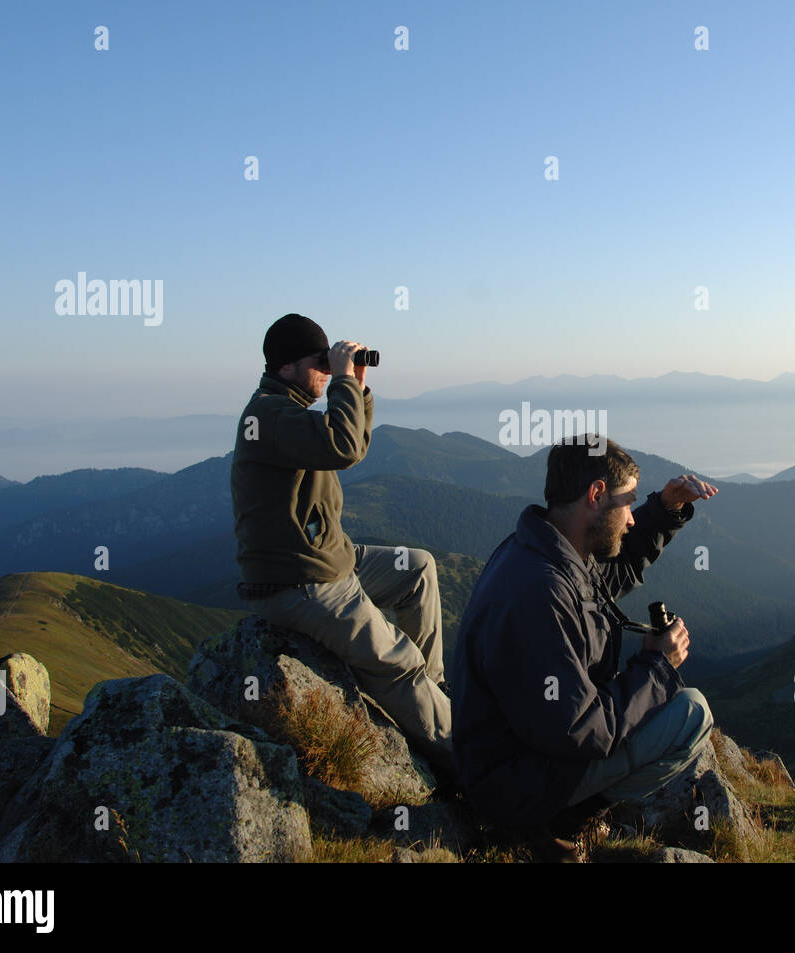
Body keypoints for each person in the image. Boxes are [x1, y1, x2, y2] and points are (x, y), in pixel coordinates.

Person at [451, 435, 719, 860]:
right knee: (691, 715)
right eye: (628, 504)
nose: (631, 519)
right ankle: (550, 828)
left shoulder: (550, 550)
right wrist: (655, 666)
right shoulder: (539, 592)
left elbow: (610, 575)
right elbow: (582, 731)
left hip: (514, 755)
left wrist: (664, 510)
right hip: (509, 785)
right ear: (596, 495)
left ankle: (551, 821)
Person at [230, 312, 454, 785]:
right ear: (287, 366)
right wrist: (345, 384)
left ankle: (432, 695)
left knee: (418, 569)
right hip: (301, 579)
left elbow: (350, 442)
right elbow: (343, 447)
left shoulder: (282, 408)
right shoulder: (268, 415)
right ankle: (466, 761)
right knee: (397, 660)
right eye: (320, 362)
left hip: (329, 558)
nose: (328, 372)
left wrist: (358, 386)